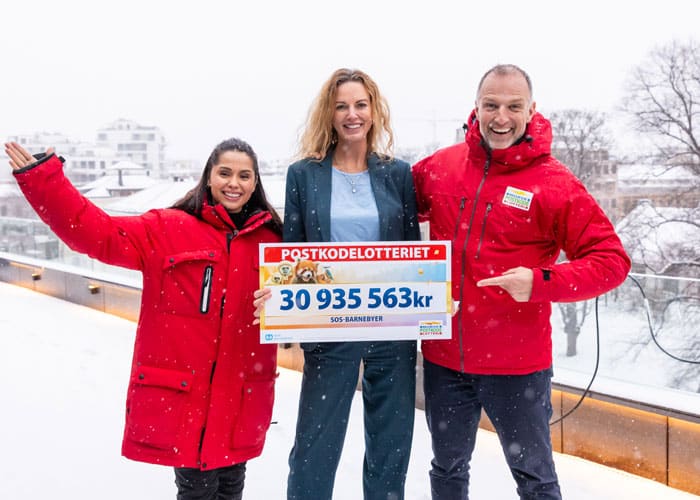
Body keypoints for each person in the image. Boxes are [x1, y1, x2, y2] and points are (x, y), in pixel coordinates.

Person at [5, 137, 283, 500]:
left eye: (245, 175)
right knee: (197, 492)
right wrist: (43, 180)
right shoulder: (166, 229)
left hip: (241, 398)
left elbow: (309, 296)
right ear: (209, 177)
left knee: (232, 489)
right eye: (225, 172)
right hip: (190, 401)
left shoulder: (273, 241)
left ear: (255, 183)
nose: (235, 183)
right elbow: (95, 233)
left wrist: (280, 303)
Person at [411, 64, 631, 500]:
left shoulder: (554, 184)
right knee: (447, 468)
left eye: (514, 106)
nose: (501, 117)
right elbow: (385, 211)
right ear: (475, 108)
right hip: (443, 356)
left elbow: (612, 261)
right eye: (491, 105)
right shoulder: (441, 167)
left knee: (535, 480)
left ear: (532, 110)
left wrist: (540, 281)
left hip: (517, 365)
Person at [279, 67, 420, 500]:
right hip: (329, 324)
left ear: (374, 111)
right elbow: (294, 251)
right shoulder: (304, 175)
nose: (351, 114)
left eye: (360, 105)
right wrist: (289, 320)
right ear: (329, 113)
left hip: (392, 328)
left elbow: (412, 251)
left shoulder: (397, 174)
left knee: (391, 447)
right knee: (314, 448)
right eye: (342, 106)